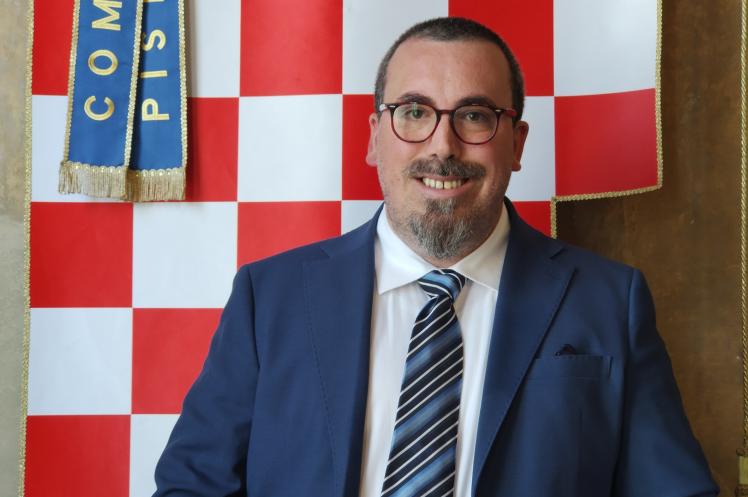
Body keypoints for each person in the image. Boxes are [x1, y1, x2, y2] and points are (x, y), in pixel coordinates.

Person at [153, 17, 718, 497]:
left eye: (474, 115)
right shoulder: (269, 298)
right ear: (374, 136)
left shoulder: (610, 301)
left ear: (517, 143)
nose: (442, 146)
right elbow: (191, 488)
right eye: (414, 112)